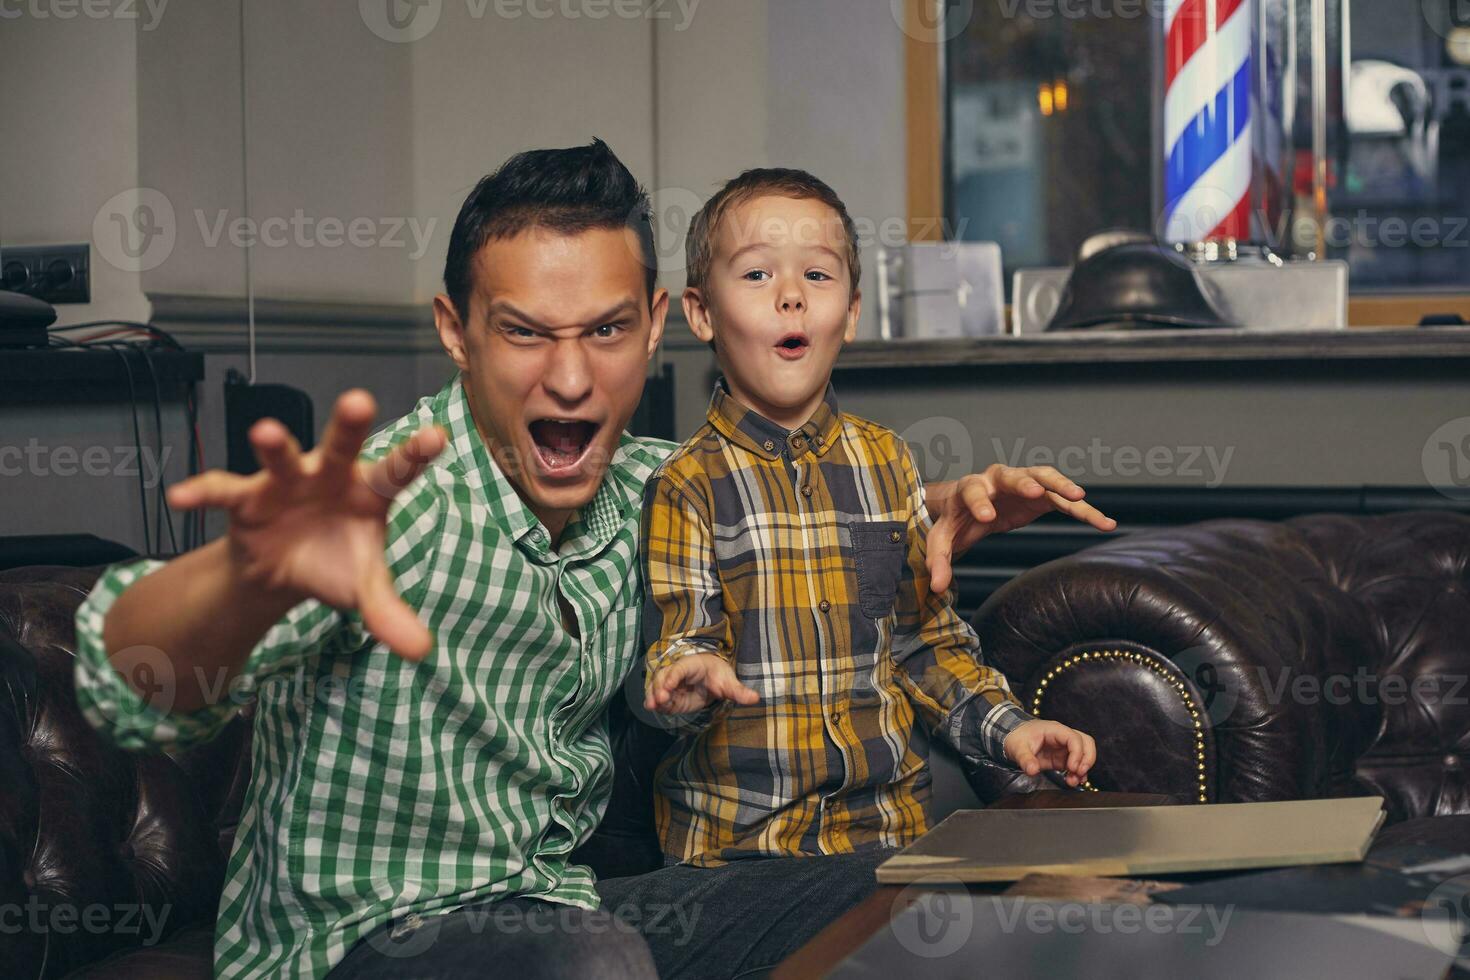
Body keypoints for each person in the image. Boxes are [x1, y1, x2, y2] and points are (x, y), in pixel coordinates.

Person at [72, 141, 1113, 980]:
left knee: (919, 874)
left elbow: (777, 501)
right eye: (525, 332)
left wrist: (934, 502)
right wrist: (247, 576)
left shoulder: (658, 491)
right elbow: (129, 682)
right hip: (365, 936)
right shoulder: (392, 504)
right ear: (458, 332)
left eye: (607, 330)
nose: (571, 378)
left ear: (658, 324)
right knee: (588, 957)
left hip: (565, 906)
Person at [638, 169, 1102, 872]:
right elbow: (680, 642)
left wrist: (1011, 729)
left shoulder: (890, 464)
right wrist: (688, 677)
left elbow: (923, 646)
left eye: (817, 276)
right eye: (758, 273)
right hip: (741, 850)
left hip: (888, 835)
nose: (791, 295)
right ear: (701, 314)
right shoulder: (685, 484)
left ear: (851, 314)